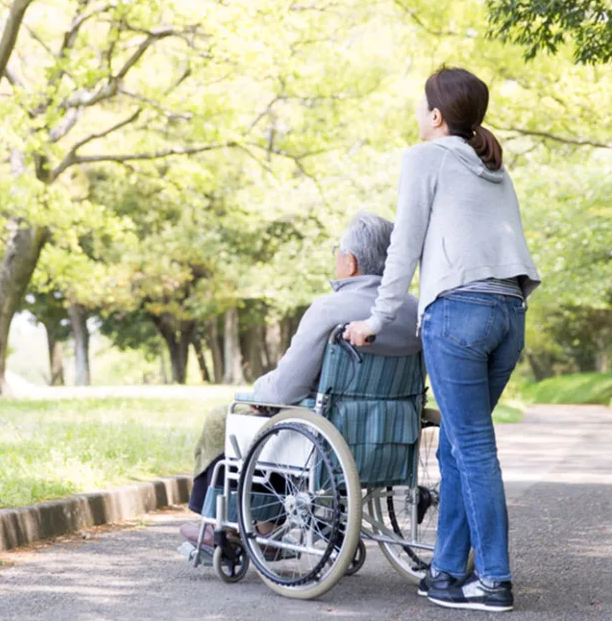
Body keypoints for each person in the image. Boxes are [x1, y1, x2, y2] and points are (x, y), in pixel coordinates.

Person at [344, 67, 540, 613]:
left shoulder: (425, 156)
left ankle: (495, 580)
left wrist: (376, 321)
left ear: (436, 116)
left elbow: (403, 246)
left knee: (472, 447)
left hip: (459, 311)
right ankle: (448, 572)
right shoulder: (492, 167)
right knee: (457, 444)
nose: (418, 112)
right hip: (509, 311)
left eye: (421, 105)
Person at [180, 211, 422, 551]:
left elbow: (284, 389)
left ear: (350, 263)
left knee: (226, 419)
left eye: (338, 253)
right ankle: (265, 525)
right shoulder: (416, 313)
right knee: (287, 423)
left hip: (326, 435)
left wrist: (253, 394)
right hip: (390, 437)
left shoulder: (330, 309)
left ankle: (224, 524)